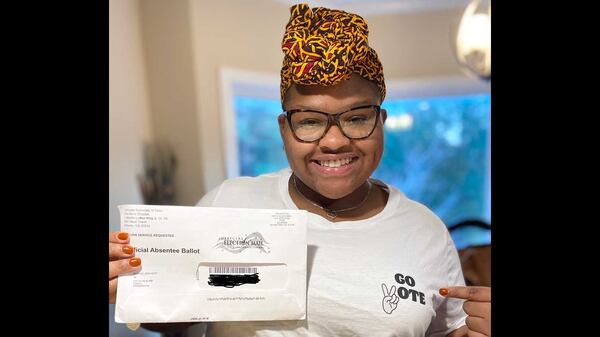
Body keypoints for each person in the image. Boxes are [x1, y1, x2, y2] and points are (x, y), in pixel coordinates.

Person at [109, 3, 491, 336]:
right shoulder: (230, 203)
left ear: (381, 122)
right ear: (284, 130)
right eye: (309, 121)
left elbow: (444, 332)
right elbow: (174, 320)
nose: (334, 141)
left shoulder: (425, 232)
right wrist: (130, 283)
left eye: (357, 118)